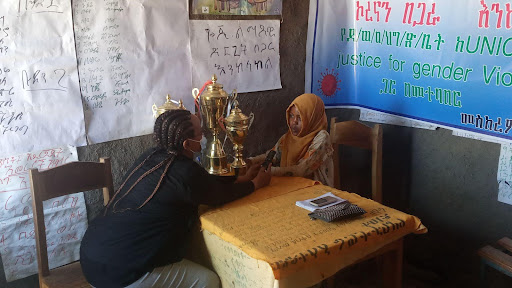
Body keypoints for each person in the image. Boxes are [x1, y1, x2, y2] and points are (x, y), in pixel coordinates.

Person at [80, 109, 271, 288]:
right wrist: (254, 185)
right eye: (199, 133)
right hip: (119, 273)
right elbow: (218, 196)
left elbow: (205, 183)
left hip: (92, 254)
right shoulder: (185, 171)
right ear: (187, 144)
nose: (203, 137)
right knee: (209, 281)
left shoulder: (151, 156)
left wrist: (239, 178)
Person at [247, 93, 334, 187]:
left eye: (300, 118)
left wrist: (267, 171)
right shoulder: (289, 138)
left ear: (312, 118)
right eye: (292, 116)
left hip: (317, 191)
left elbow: (301, 170)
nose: (293, 122)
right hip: (293, 186)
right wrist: (251, 162)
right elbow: (273, 155)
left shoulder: (322, 137)